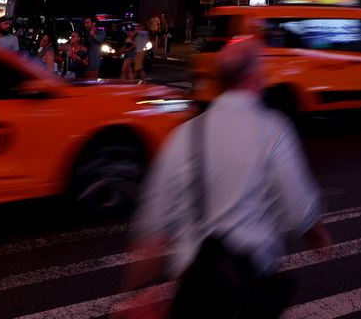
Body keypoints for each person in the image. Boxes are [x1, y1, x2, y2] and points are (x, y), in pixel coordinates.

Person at [125, 38, 329, 317]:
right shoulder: (272, 129)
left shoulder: (185, 135)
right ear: (255, 77)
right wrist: (317, 235)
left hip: (194, 289)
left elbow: (154, 224)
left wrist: (139, 292)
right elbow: (299, 205)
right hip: (248, 288)